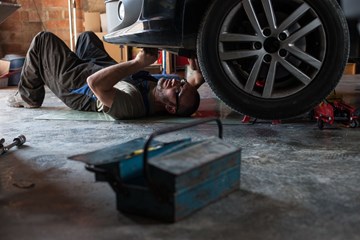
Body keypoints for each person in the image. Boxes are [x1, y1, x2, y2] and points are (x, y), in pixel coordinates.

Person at [7, 31, 204, 120]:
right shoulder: (164, 88)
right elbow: (194, 79)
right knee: (87, 38)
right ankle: (75, 59)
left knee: (43, 39)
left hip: (78, 84)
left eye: (177, 91)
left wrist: (138, 63)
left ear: (170, 108)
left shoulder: (134, 105)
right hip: (98, 67)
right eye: (181, 83)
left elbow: (95, 84)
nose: (175, 83)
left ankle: (28, 96)